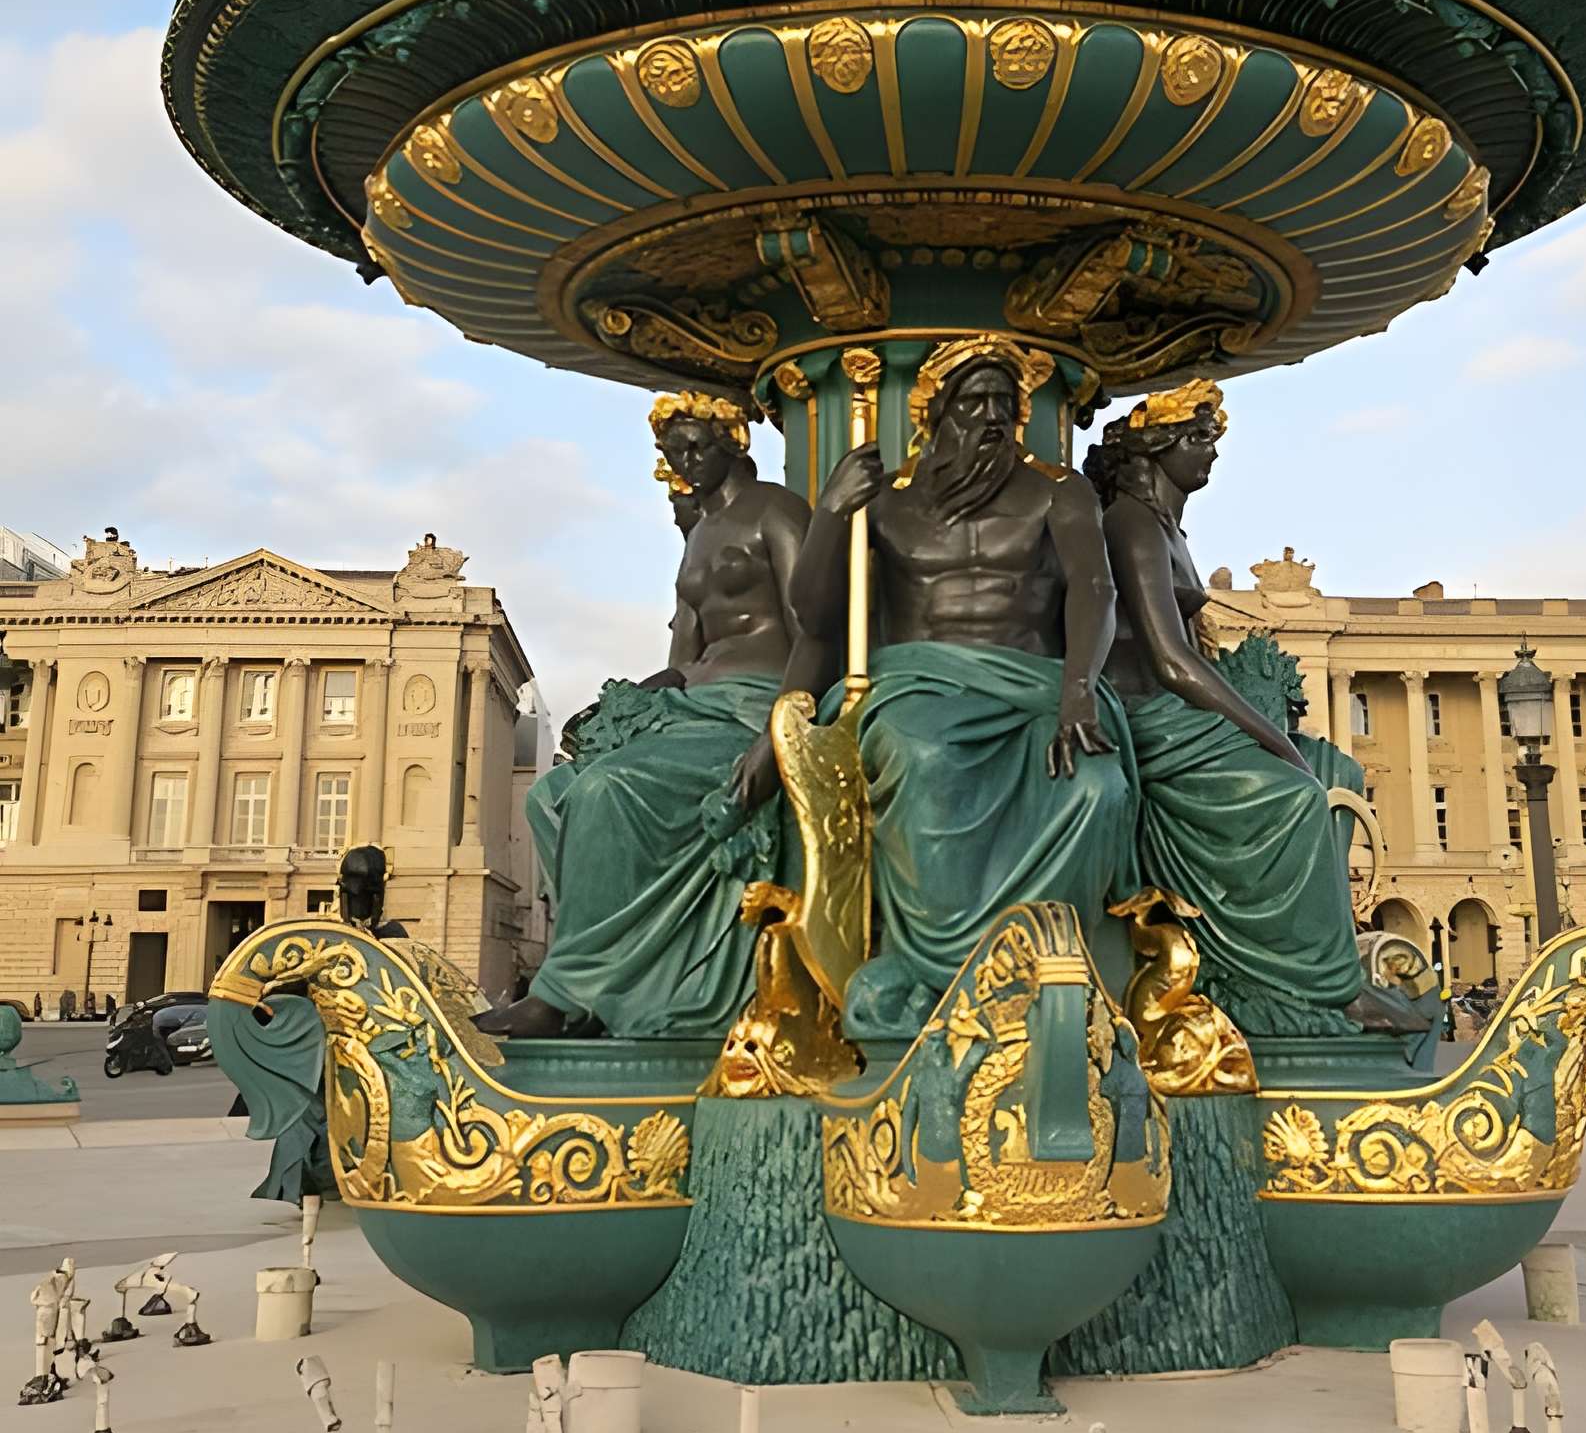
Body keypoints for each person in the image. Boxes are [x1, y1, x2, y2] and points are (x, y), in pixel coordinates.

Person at [744, 334, 1134, 1039]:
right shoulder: (885, 505)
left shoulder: (1059, 492)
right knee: (922, 758)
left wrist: (1080, 688)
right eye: (973, 401)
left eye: (1004, 404)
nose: (990, 417)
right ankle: (943, 974)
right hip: (921, 683)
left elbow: (1095, 590)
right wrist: (833, 512)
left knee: (1097, 788)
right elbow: (815, 615)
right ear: (937, 413)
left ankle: (1054, 973)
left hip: (1036, 682)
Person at [1084, 382, 1421, 1036]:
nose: (1209, 453)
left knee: (1337, 773)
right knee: (1295, 794)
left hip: (1180, 711)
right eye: (1195, 439)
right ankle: (1328, 991)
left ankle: (1317, 948)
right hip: (1148, 717)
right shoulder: (1130, 523)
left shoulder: (1165, 526)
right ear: (1156, 449)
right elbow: (1171, 659)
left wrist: (1280, 740)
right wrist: (1270, 736)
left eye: (1211, 439)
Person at [477, 393, 808, 1040]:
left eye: (696, 447)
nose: (685, 462)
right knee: (553, 794)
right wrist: (618, 703)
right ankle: (613, 983)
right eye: (672, 452)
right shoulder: (701, 536)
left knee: (605, 790)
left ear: (733, 442)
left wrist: (782, 727)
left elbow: (817, 630)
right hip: (693, 706)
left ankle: (563, 993)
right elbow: (683, 658)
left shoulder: (777, 510)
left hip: (755, 704)